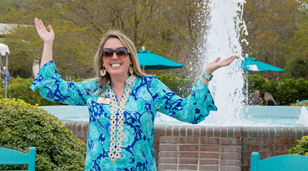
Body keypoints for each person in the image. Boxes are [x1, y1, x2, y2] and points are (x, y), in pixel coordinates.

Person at [31, 18, 237, 171]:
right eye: (107, 53)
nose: (114, 56)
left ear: (130, 58)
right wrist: (48, 44)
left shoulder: (150, 87)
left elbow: (189, 113)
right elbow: (51, 88)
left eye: (121, 52)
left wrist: (206, 74)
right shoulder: (93, 89)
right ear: (102, 61)